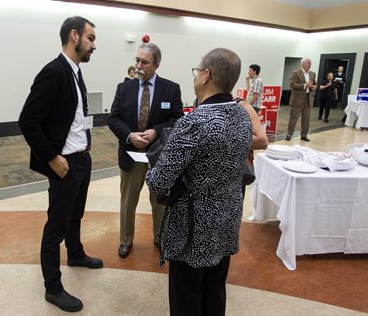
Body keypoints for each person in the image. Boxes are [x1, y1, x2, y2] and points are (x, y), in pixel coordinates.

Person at [146, 48, 252, 316]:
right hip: (226, 222)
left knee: (186, 299)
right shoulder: (242, 115)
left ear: (206, 76)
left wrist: (151, 166)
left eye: (197, 71)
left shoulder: (194, 122)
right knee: (214, 292)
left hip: (192, 231)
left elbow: (159, 181)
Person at [18, 16, 101, 313]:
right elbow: (28, 121)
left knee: (75, 216)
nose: (94, 45)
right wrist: (52, 158)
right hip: (64, 164)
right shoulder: (53, 72)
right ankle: (52, 287)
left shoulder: (75, 72)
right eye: (91, 38)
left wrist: (85, 151)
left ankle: (76, 254)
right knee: (56, 227)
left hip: (83, 158)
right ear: (74, 36)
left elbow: (75, 117)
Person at [108, 43, 183, 259]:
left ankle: (160, 237)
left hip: (159, 156)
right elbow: (113, 118)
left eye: (145, 62)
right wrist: (130, 136)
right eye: (137, 60)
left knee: (159, 202)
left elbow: (177, 118)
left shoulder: (171, 89)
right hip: (130, 155)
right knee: (127, 202)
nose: (138, 65)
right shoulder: (124, 88)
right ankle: (125, 240)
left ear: (157, 65)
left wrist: (156, 132)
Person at [286, 57, 316, 142]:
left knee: (306, 119)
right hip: (297, 99)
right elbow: (292, 84)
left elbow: (315, 84)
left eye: (310, 63)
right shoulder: (296, 73)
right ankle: (289, 134)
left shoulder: (312, 74)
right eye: (308, 63)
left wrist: (314, 87)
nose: (310, 65)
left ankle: (304, 135)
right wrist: (304, 85)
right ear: (303, 64)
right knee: (293, 118)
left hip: (308, 98)